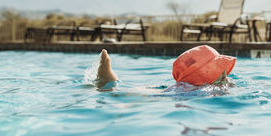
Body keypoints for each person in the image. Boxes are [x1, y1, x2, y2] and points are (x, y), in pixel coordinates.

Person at [95, 45, 236, 89]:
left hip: (173, 91)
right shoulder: (205, 90)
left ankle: (108, 83)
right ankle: (108, 84)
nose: (225, 74)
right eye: (219, 69)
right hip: (182, 95)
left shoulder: (184, 87)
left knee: (146, 92)